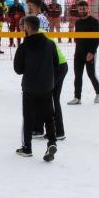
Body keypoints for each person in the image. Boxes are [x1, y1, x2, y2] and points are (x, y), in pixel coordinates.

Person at [14, 15, 60, 161]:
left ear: (27, 27)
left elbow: (18, 69)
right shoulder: (50, 43)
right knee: (49, 117)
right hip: (46, 86)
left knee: (28, 118)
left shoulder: (24, 46)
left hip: (30, 87)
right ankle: (52, 142)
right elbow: (56, 63)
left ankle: (27, 148)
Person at [68, 0, 99, 104]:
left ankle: (98, 93)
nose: (82, 10)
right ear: (78, 9)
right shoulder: (78, 22)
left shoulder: (94, 21)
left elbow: (97, 39)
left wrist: (92, 52)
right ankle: (77, 98)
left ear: (88, 9)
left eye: (84, 8)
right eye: (80, 9)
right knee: (77, 75)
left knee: (91, 74)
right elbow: (77, 36)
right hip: (78, 52)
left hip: (90, 52)